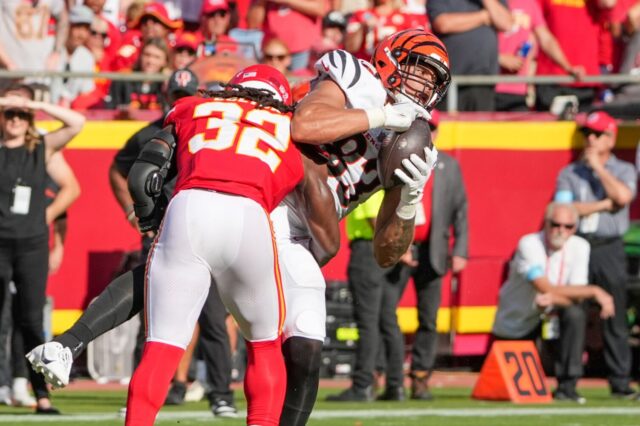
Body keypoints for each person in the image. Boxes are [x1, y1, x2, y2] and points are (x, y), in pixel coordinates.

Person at [29, 29, 447, 426]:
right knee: (190, 284)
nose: (424, 83)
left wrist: (409, 198)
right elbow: (305, 125)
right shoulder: (357, 76)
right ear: (390, 59)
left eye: (434, 79)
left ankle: (70, 343)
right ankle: (74, 341)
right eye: (419, 68)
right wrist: (381, 115)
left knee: (306, 345)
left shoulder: (415, 141)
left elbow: (386, 252)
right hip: (269, 197)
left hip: (303, 232)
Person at [122, 64, 311, 426]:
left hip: (189, 208)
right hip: (249, 215)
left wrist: (150, 220)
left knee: (161, 346)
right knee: (264, 342)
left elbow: (144, 173)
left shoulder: (192, 106)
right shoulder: (293, 127)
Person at [109, 68, 237, 415]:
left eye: (186, 96)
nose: (181, 102)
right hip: (161, 232)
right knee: (151, 317)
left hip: (201, 232)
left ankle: (221, 393)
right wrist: (131, 211)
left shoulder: (207, 132)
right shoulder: (148, 134)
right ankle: (143, 396)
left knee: (212, 317)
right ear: (166, 97)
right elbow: (118, 170)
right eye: (177, 97)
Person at [0, 83, 85, 414]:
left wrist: (34, 103)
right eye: (10, 113)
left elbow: (77, 123)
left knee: (32, 321)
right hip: (0, 243)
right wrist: (6, 101)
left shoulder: (42, 148)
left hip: (31, 245)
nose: (16, 119)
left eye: (22, 114)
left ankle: (42, 395)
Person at [492, 202, 615, 403]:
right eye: (555, 224)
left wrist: (563, 297)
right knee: (507, 382)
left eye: (568, 226)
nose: (561, 230)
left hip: (553, 307)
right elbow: (544, 286)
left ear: (575, 228)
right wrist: (595, 291)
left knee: (576, 314)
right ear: (546, 224)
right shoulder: (529, 243)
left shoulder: (581, 246)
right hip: (520, 316)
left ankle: (568, 386)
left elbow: (575, 295)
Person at [554, 111, 638, 398]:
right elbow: (565, 211)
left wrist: (599, 169)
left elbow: (625, 197)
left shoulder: (623, 169)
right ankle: (567, 383)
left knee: (614, 313)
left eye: (597, 134)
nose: (590, 139)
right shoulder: (569, 172)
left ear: (611, 138)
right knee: (573, 311)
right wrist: (605, 204)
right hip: (577, 244)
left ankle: (620, 381)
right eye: (586, 134)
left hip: (609, 246)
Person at [401, 110, 469, 401]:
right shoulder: (401, 156)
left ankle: (420, 376)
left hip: (433, 249)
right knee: (383, 311)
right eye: (422, 127)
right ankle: (387, 373)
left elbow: (461, 211)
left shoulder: (449, 166)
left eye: (432, 128)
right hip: (402, 246)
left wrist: (461, 249)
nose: (428, 132)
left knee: (429, 317)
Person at [326, 190, 410, 401]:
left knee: (368, 322)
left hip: (369, 250)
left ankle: (363, 384)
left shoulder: (372, 185)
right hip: (392, 253)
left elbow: (375, 219)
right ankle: (396, 385)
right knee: (389, 322)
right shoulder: (397, 186)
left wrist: (390, 244)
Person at [427, 0, 512, 111]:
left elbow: (506, 23)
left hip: (484, 82)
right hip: (450, 82)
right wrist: (484, 16)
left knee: (480, 128)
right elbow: (443, 24)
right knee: (450, 126)